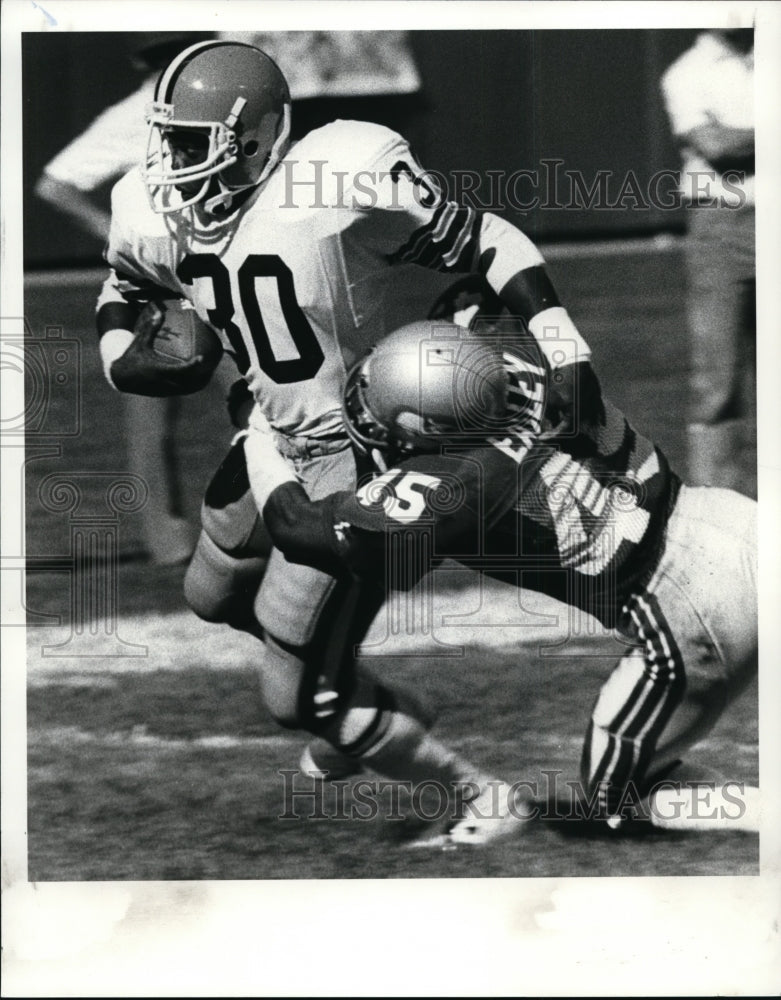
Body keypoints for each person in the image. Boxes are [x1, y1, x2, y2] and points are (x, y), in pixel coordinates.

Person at [95, 40, 598, 842]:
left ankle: (478, 797)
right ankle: (374, 698)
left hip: (362, 448)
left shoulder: (334, 178)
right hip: (269, 427)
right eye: (170, 138)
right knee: (211, 595)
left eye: (194, 141)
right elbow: (123, 291)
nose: (173, 161)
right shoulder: (152, 206)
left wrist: (564, 344)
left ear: (255, 138)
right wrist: (123, 362)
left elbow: (486, 236)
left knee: (297, 701)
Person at [249, 304, 758, 840]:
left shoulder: (458, 482)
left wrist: (256, 440)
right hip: (732, 517)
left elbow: (297, 527)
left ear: (427, 424)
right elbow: (492, 287)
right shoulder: (512, 347)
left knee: (620, 796)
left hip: (690, 607)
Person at [35, 32, 215, 564]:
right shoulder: (135, 113)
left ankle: (286, 518)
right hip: (163, 285)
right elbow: (54, 184)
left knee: (271, 400)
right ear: (150, 63)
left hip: (229, 272)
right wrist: (116, 234)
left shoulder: (228, 102)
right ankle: (170, 543)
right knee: (152, 409)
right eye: (172, 55)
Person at [660, 29, 755, 494]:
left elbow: (728, 140)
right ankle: (719, 505)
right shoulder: (686, 72)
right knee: (717, 382)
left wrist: (743, 134)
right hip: (721, 229)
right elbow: (716, 146)